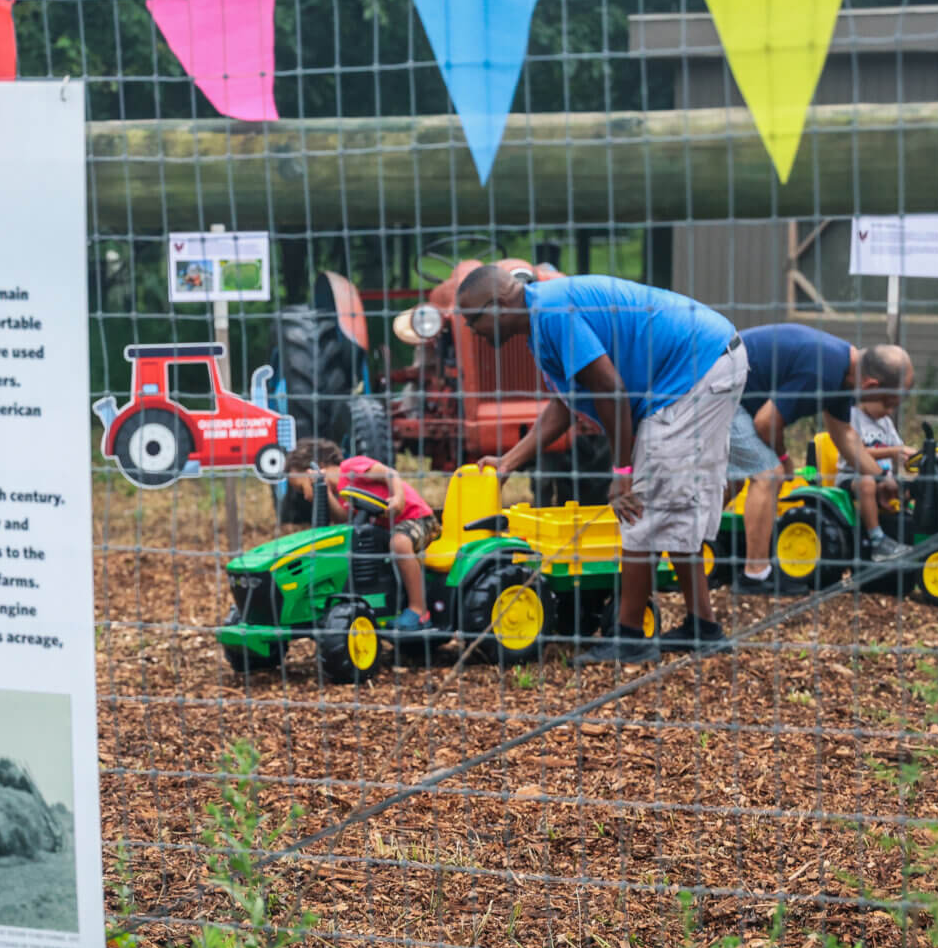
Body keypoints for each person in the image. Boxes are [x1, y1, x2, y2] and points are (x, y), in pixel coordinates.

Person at [458, 266, 747, 662]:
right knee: (671, 504)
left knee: (641, 504)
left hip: (696, 369)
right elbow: (565, 404)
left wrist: (622, 472)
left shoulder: (555, 314)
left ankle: (629, 637)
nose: (472, 330)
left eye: (472, 320)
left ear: (497, 306)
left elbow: (612, 390)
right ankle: (703, 628)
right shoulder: (541, 321)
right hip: (700, 365)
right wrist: (510, 461)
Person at [727, 324, 915, 593]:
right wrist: (785, 458)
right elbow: (766, 423)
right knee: (770, 473)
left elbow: (845, 435)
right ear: (871, 384)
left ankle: (691, 548)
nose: (887, 413)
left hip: (737, 396)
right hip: (720, 392)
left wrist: (881, 478)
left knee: (728, 481)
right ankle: (755, 576)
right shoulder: (824, 371)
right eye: (888, 404)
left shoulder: (841, 374)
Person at [286, 438, 441, 631]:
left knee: (399, 543)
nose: (306, 496)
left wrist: (398, 498)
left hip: (417, 519)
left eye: (301, 488)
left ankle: (419, 611)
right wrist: (323, 492)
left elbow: (390, 473)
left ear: (319, 466)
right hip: (388, 530)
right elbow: (345, 520)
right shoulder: (341, 495)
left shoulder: (350, 467)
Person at [835, 401, 918, 536]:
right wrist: (894, 451)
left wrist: (910, 459)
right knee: (867, 483)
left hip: (885, 477)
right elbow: (857, 452)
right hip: (852, 477)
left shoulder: (886, 422)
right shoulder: (852, 417)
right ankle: (877, 537)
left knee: (913, 487)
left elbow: (898, 450)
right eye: (886, 404)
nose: (890, 411)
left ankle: (910, 526)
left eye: (893, 406)